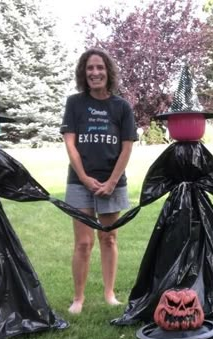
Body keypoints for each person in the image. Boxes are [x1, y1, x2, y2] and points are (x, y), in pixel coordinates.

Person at [61, 48, 138, 314]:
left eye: (100, 67)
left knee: (109, 238)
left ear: (108, 71)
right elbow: (70, 144)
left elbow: (126, 147)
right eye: (90, 68)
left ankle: (109, 295)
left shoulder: (122, 107)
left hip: (112, 182)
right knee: (83, 242)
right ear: (84, 73)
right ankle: (78, 299)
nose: (95, 73)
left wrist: (112, 181)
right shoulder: (74, 103)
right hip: (79, 182)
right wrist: (83, 178)